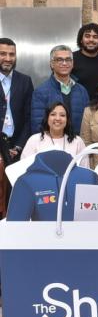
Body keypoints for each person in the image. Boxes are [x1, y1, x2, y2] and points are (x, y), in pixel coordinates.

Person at [0, 38, 33, 217]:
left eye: (11, 54)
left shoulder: (25, 81)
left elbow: (29, 118)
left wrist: (19, 145)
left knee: (15, 195)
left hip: (18, 148)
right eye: (3, 54)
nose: (8, 58)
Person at [31, 45, 89, 136]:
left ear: (72, 63)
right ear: (52, 64)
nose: (64, 63)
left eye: (68, 59)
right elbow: (37, 127)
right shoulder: (40, 92)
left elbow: (88, 124)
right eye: (59, 60)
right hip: (51, 146)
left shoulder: (82, 91)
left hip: (78, 145)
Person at [21, 102, 87, 166]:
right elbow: (23, 168)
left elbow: (85, 171)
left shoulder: (77, 141)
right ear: (47, 118)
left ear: (67, 119)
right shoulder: (34, 140)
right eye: (53, 114)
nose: (57, 118)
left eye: (62, 115)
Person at [72, 23, 98, 100]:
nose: (91, 40)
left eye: (95, 37)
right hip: (76, 108)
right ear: (81, 39)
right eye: (87, 36)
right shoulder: (70, 60)